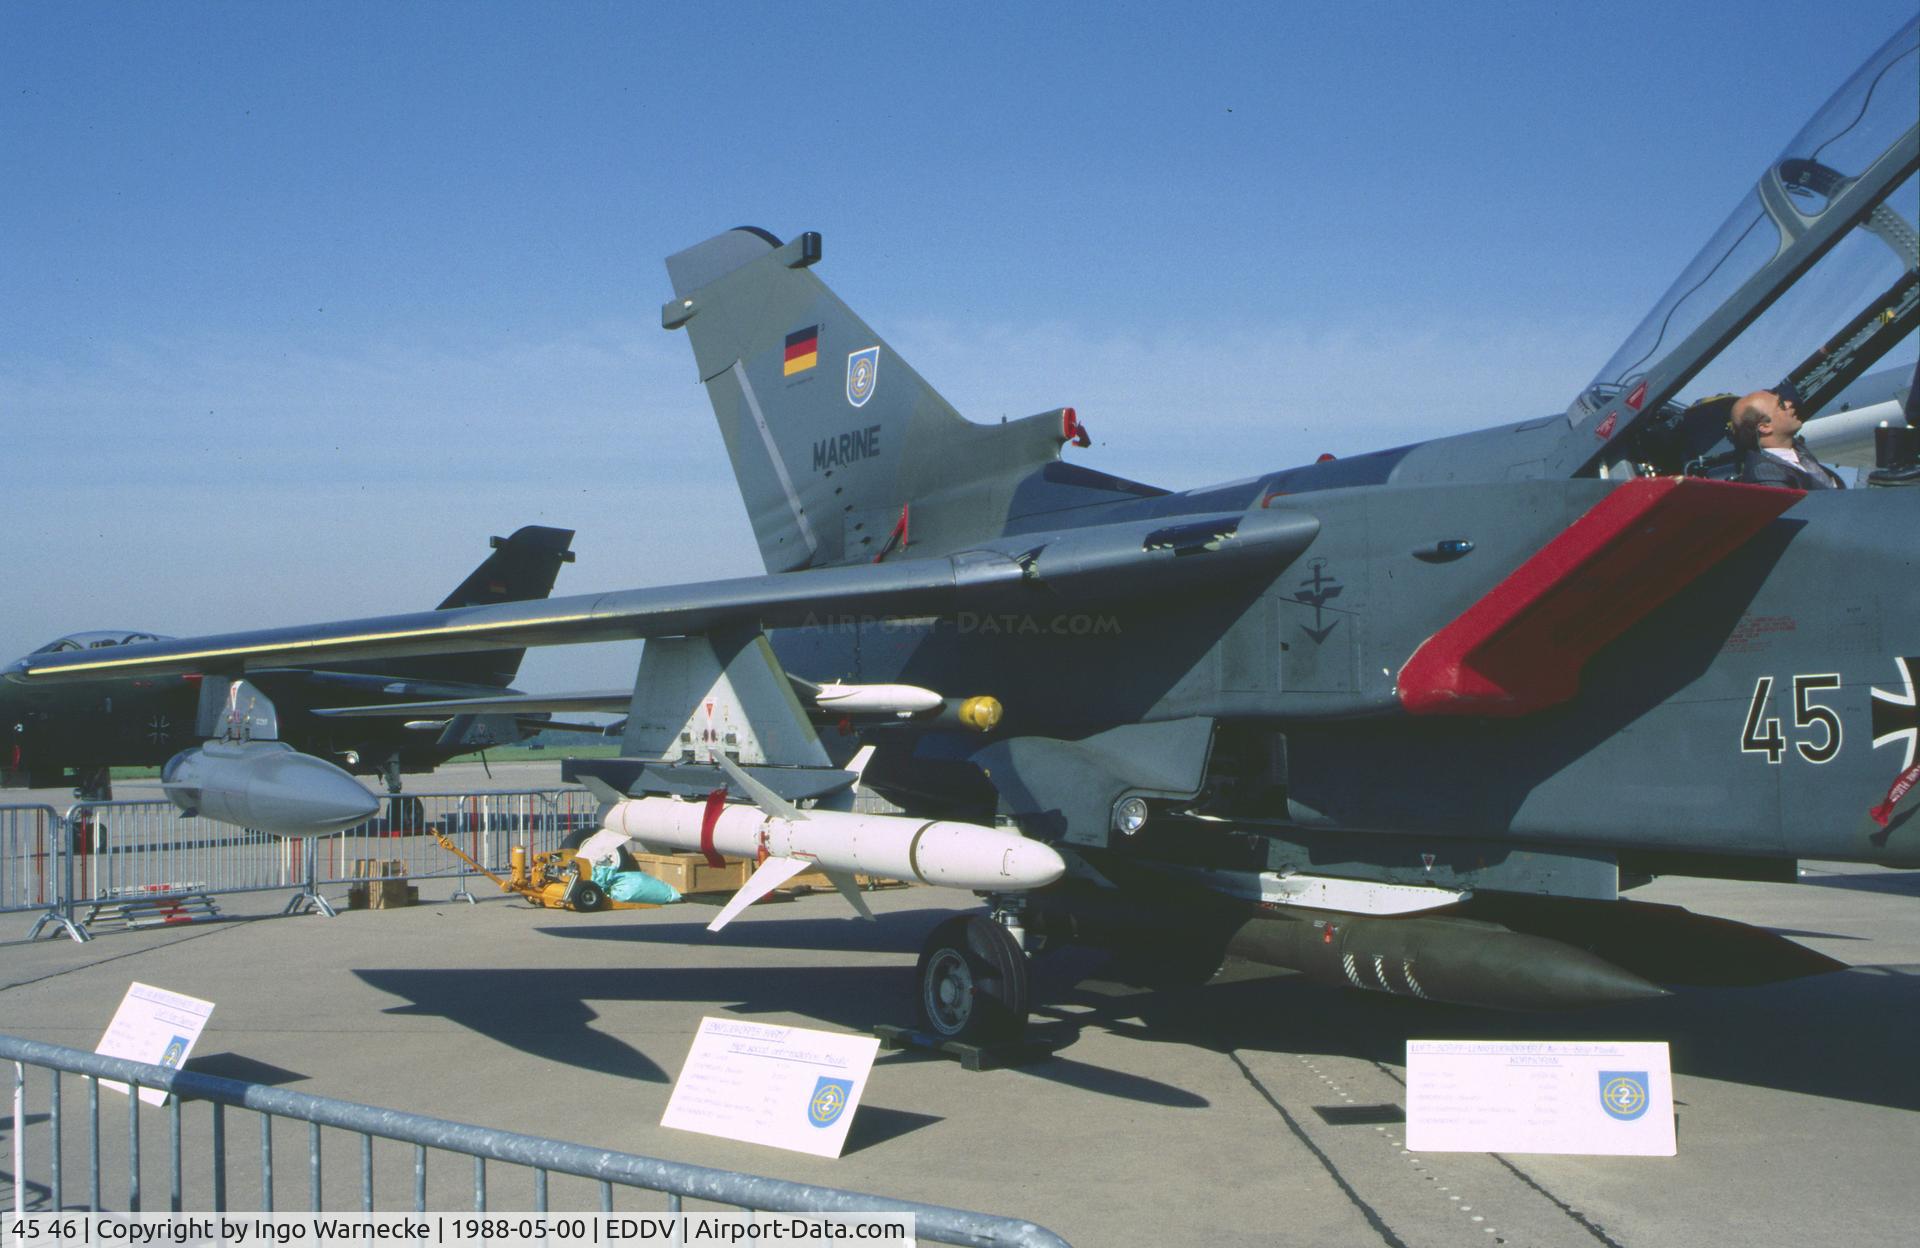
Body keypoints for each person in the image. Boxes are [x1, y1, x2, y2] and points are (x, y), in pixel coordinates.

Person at [1728, 385, 1846, 489]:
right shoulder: (1766, 475)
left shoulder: (1798, 451)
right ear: (1765, 427)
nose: (1789, 404)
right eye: (1781, 405)